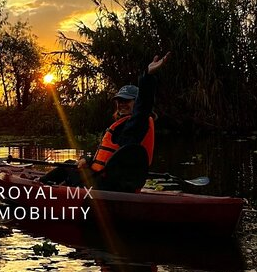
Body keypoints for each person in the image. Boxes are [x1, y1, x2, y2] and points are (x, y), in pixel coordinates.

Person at [42, 52, 171, 191]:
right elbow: (101, 154)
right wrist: (87, 159)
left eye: (127, 100)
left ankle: (38, 187)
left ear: (136, 102)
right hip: (106, 180)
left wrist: (148, 76)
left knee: (67, 166)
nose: (122, 104)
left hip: (108, 185)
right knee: (71, 165)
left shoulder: (138, 124)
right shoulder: (121, 125)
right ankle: (47, 186)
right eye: (119, 101)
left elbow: (144, 105)